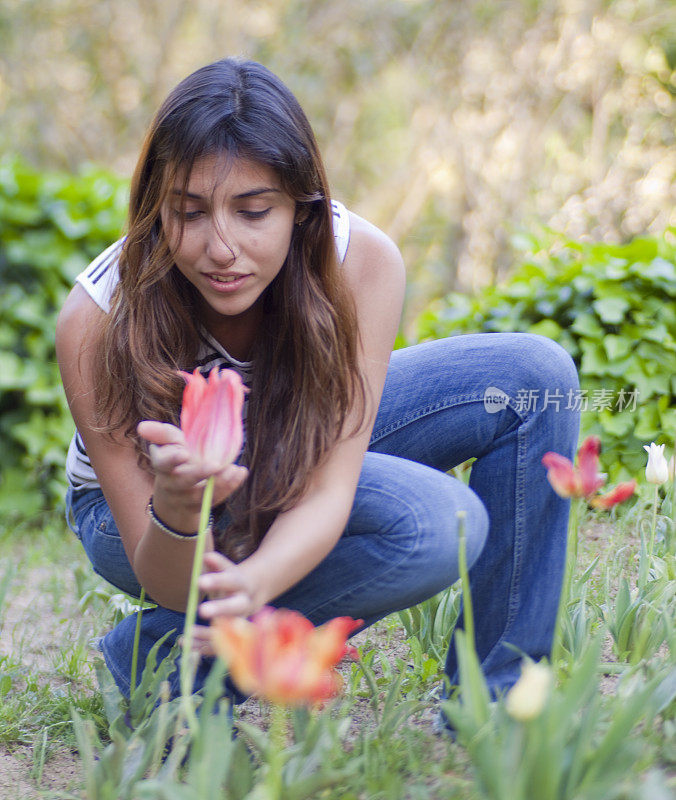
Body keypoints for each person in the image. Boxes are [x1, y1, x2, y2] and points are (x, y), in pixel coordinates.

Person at [56, 58, 580, 711]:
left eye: (252, 212)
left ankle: (499, 704)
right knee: (437, 525)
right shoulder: (98, 321)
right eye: (189, 212)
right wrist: (181, 506)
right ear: (157, 210)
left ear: (301, 209)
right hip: (142, 514)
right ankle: (176, 661)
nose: (221, 248)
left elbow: (328, 488)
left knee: (534, 377)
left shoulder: (361, 262)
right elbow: (164, 578)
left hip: (290, 448)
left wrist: (258, 585)